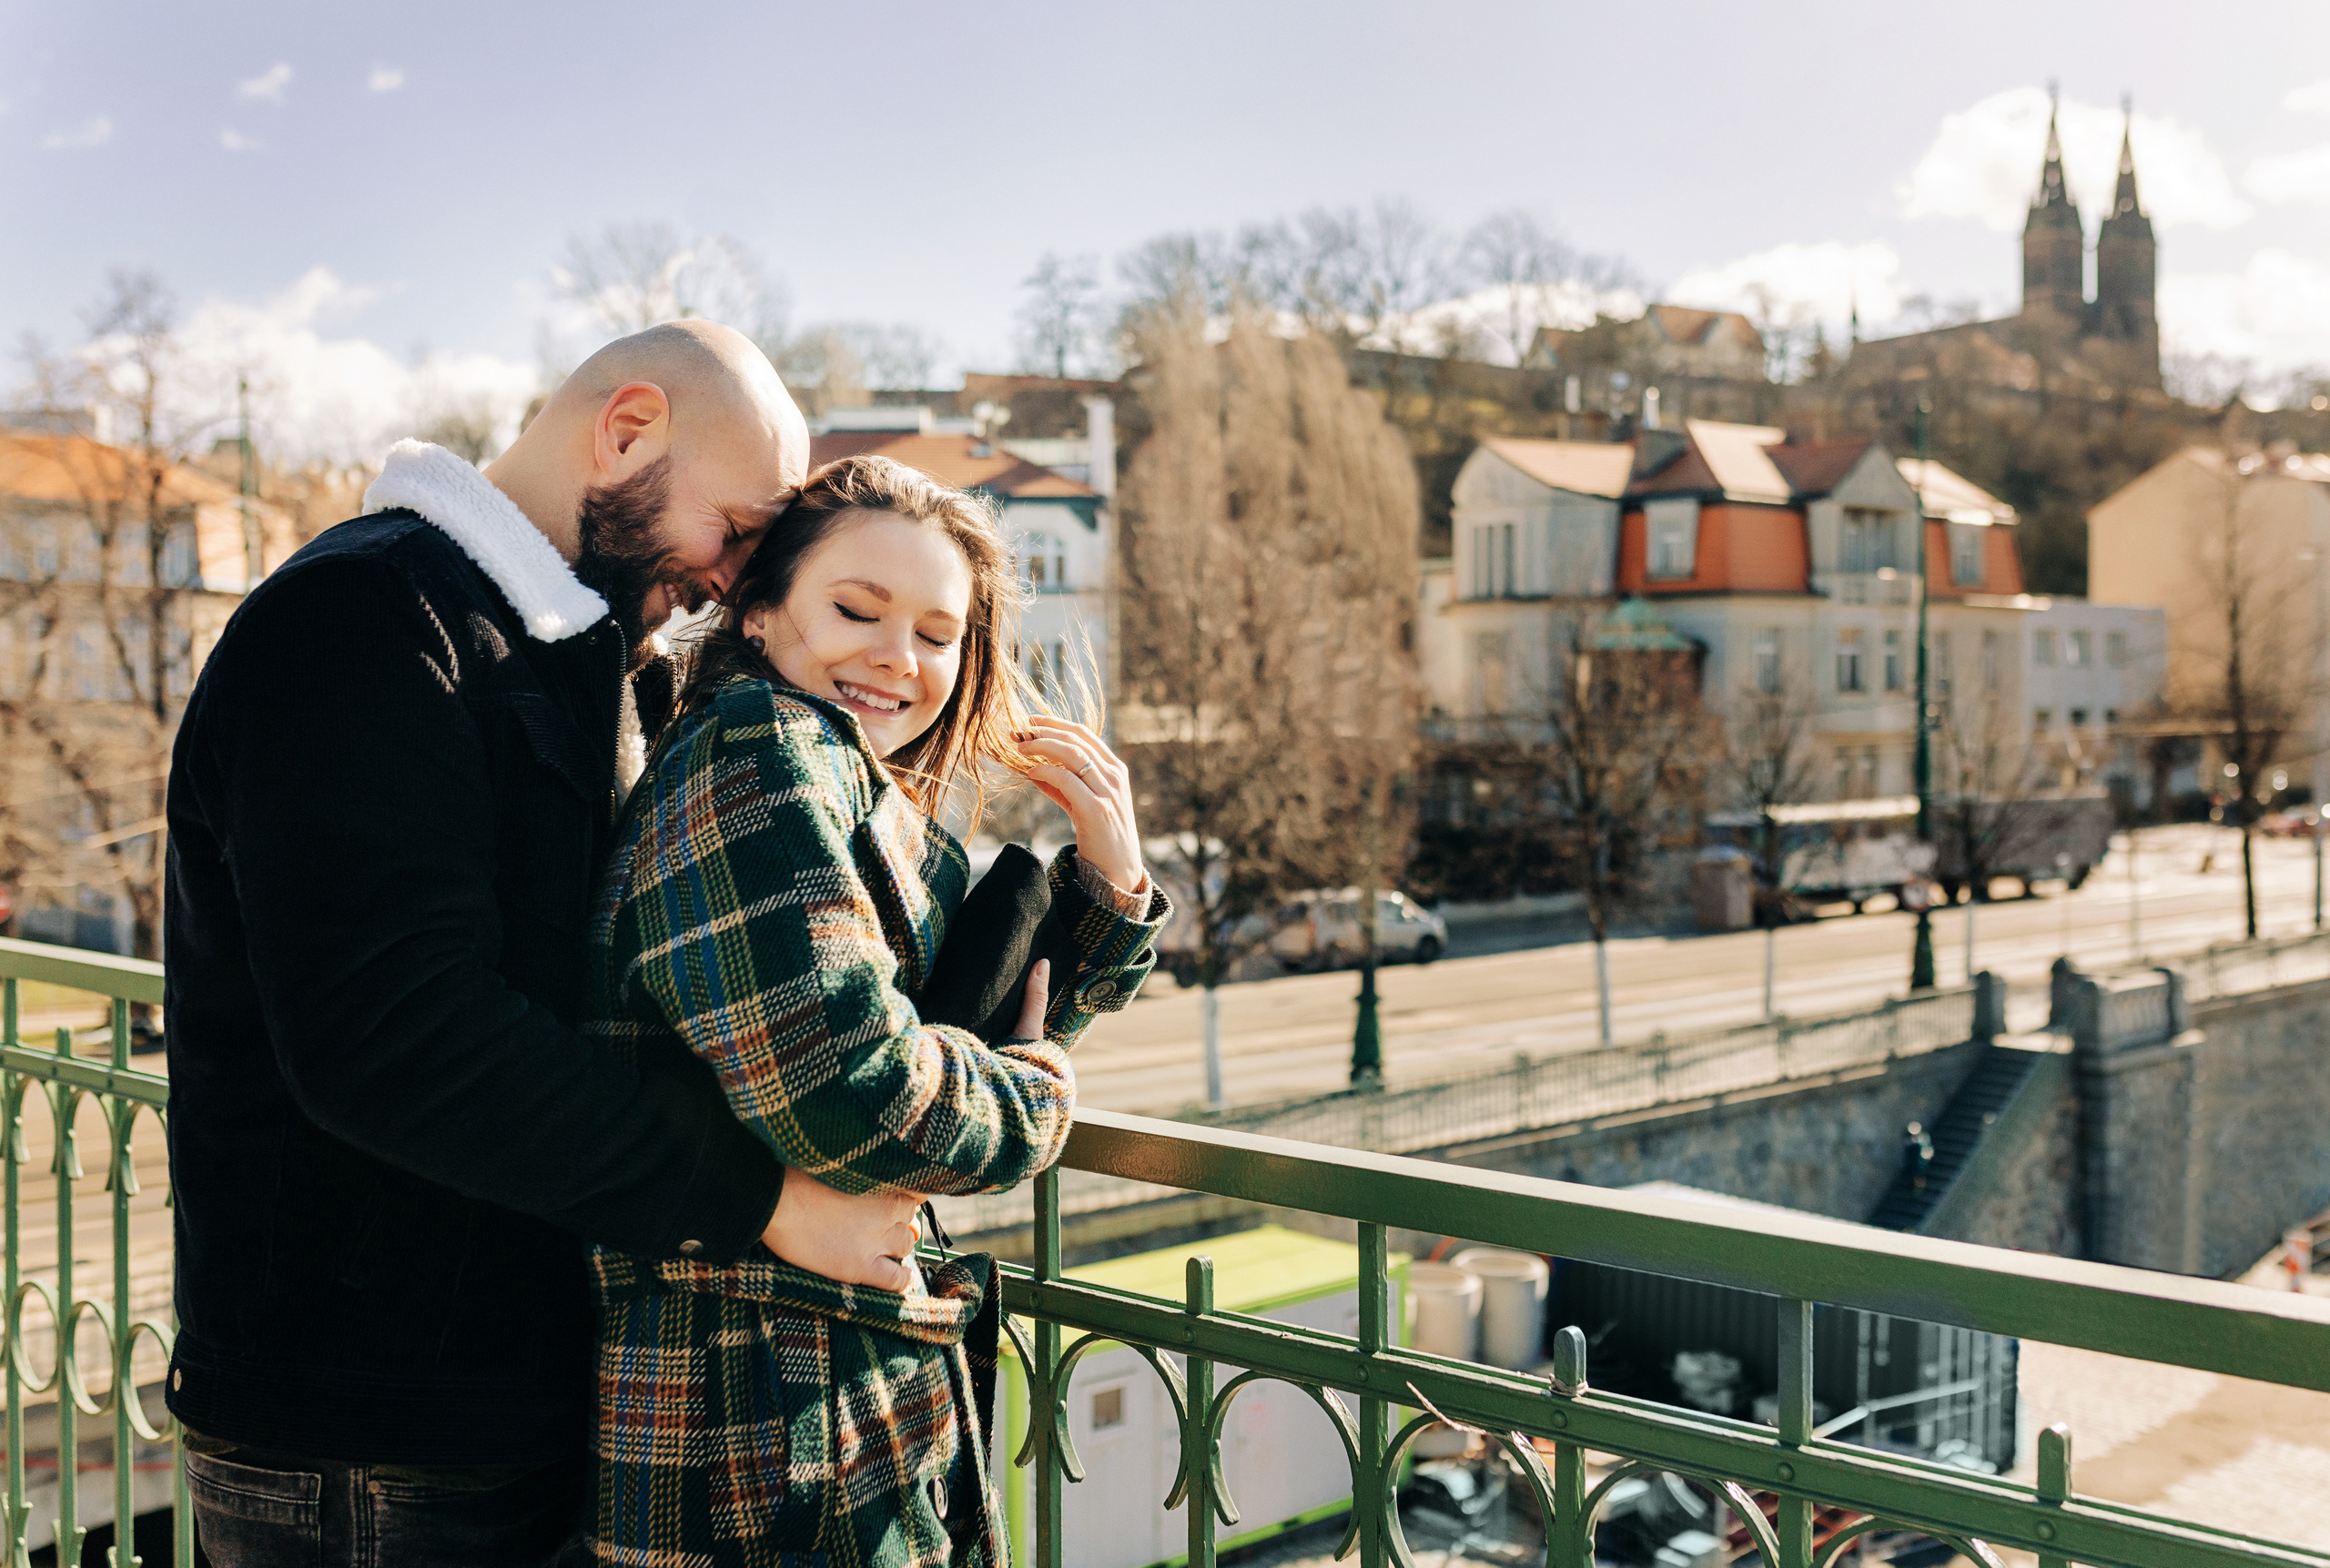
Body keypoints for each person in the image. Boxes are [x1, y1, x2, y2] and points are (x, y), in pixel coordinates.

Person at [164, 322, 920, 1567]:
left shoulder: (569, 653)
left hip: (474, 1404)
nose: (732, 576)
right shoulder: (364, 621)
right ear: (626, 429)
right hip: (369, 1435)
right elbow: (393, 1038)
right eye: (733, 528)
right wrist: (762, 1201)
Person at [585, 454, 1166, 1565]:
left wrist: (1113, 885)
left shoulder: (833, 775)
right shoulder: (760, 758)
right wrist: (1038, 1101)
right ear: (757, 612)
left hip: (793, 1405)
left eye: (939, 635)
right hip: (760, 1419)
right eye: (856, 609)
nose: (898, 658)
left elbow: (974, 1022)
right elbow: (860, 1097)